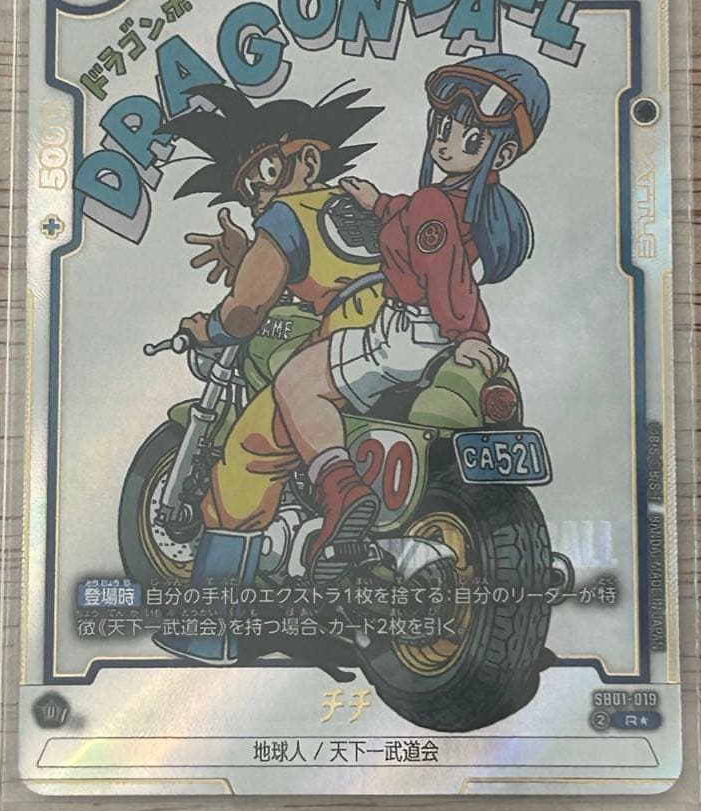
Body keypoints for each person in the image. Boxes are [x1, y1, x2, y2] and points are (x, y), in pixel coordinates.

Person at [272, 54, 550, 582]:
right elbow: (427, 221)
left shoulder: (431, 205)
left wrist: (466, 332)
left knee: (295, 382)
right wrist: (378, 204)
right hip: (431, 336)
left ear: (502, 151)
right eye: (444, 128)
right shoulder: (469, 200)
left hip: (408, 336)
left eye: (470, 137)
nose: (447, 142)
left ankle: (340, 492)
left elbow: (445, 270)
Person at [151, 81, 387, 663]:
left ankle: (207, 634)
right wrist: (250, 259)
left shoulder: (287, 216)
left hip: (346, 343)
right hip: (409, 338)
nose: (259, 193)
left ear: (308, 160)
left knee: (245, 459)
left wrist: (207, 327)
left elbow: (246, 312)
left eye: (267, 170)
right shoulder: (364, 205)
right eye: (249, 186)